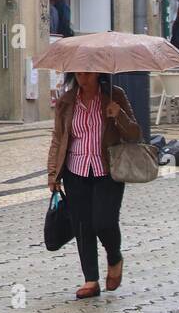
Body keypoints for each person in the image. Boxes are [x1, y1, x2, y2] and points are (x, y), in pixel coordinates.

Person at [46, 72, 141, 299]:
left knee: (104, 222)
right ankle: (91, 280)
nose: (82, 76)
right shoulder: (66, 100)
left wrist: (118, 116)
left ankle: (114, 257)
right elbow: (58, 138)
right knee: (82, 225)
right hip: (75, 171)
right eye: (78, 71)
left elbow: (135, 134)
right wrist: (53, 174)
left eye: (87, 71)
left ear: (99, 72)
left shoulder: (114, 95)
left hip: (107, 170)